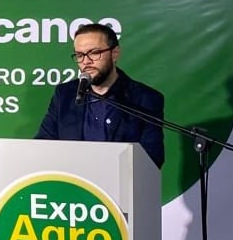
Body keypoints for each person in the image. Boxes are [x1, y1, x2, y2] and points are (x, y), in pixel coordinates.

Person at [36, 23, 165, 168]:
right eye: (80, 55)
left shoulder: (145, 98)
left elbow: (152, 157)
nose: (86, 61)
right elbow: (43, 144)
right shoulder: (65, 94)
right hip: (71, 185)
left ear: (114, 53)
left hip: (119, 186)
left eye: (94, 53)